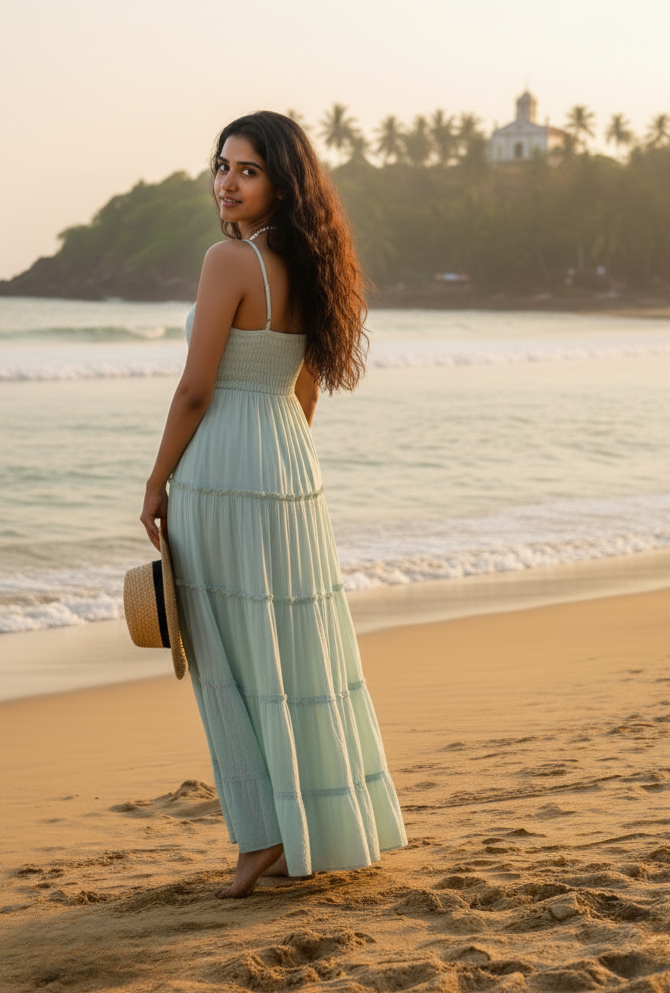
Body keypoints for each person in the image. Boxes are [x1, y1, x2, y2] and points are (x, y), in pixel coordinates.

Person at [140, 111, 407, 898]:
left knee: (227, 657)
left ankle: (262, 838)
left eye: (247, 170)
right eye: (222, 166)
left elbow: (195, 391)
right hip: (288, 462)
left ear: (282, 184)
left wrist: (156, 483)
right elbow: (306, 388)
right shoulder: (312, 263)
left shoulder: (229, 260)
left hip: (221, 464)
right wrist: (282, 467)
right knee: (295, 648)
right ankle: (313, 828)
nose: (226, 182)